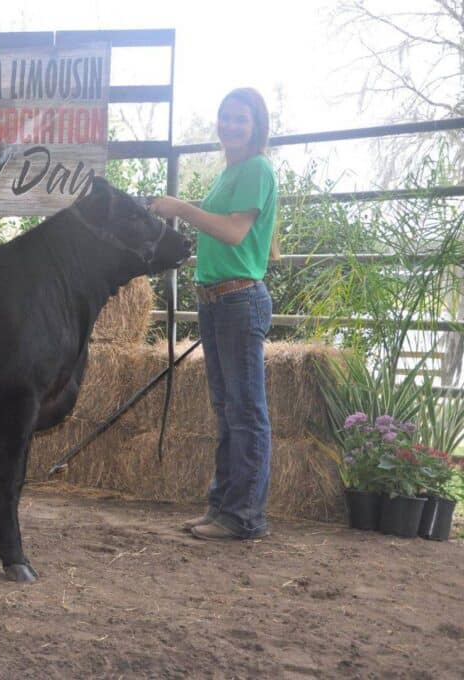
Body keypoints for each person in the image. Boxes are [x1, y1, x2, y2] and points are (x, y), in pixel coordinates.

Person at [150, 88, 277, 541]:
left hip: (238, 299)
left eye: (240, 119)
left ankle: (244, 515)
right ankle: (223, 507)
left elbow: (234, 232)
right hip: (218, 299)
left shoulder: (257, 168)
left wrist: (181, 208)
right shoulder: (231, 172)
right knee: (227, 410)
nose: (230, 125)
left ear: (256, 125)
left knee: (244, 411)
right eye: (225, 117)